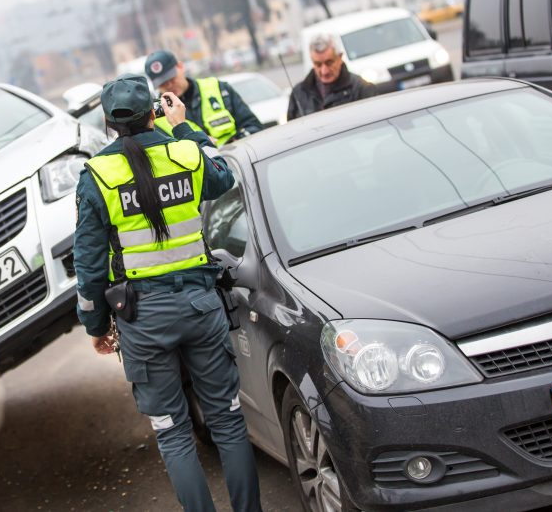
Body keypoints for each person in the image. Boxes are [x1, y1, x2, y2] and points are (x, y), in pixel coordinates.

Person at [73, 74, 263, 512]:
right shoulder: (184, 152)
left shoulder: (97, 175)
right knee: (229, 422)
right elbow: (224, 177)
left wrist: (96, 325)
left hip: (142, 319)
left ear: (108, 120)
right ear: (152, 112)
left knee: (173, 431)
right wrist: (182, 127)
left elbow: (89, 265)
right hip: (200, 306)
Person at [145, 49, 263, 145]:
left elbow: (254, 126)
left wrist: (234, 144)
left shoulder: (218, 88)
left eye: (172, 78)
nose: (169, 85)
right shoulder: (156, 118)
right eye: (163, 83)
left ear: (181, 67)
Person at [286, 32, 378, 119]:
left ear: (340, 57)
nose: (324, 71)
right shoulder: (298, 93)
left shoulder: (362, 88)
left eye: (329, 62)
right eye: (318, 64)